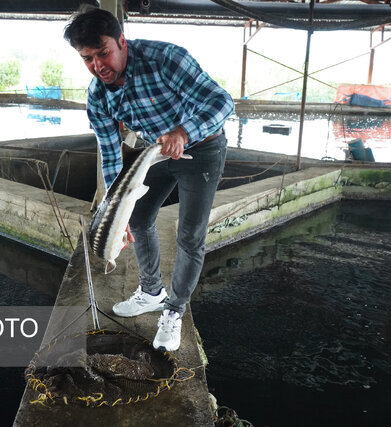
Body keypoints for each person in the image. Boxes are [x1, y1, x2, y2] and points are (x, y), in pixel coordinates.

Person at [64, 8, 234, 351]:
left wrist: (183, 132)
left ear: (122, 42)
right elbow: (112, 155)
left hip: (200, 147)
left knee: (190, 235)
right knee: (138, 218)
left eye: (103, 53)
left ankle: (173, 311)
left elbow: (222, 101)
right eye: (87, 59)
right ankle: (152, 292)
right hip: (153, 151)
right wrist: (117, 214)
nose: (98, 66)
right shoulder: (98, 96)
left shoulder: (166, 58)